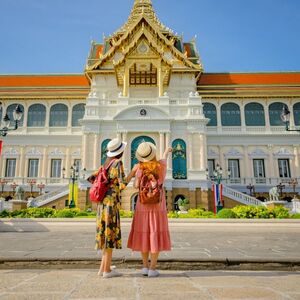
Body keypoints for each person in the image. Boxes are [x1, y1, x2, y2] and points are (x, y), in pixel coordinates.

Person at [127, 142, 172, 277]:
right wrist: (166, 151)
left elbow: (135, 186)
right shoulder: (161, 166)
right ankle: (153, 268)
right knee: (155, 232)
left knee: (144, 234)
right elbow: (164, 159)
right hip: (158, 205)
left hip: (143, 205)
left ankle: (145, 267)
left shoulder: (139, 167)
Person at [94, 138, 136, 278]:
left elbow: (92, 179)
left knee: (105, 234)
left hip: (102, 204)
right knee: (110, 236)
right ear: (121, 151)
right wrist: (133, 172)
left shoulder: (105, 164)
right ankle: (107, 271)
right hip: (111, 204)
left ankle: (102, 268)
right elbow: (123, 184)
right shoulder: (117, 163)